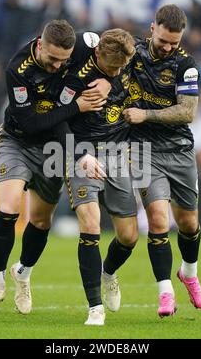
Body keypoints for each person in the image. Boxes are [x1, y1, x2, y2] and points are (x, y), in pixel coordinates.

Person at [0, 20, 108, 317]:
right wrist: (77, 107)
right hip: (18, 140)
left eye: (65, 60)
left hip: (54, 147)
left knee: (40, 221)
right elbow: (31, 123)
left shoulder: (86, 42)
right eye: (53, 59)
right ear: (40, 45)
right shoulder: (18, 69)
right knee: (9, 208)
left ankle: (22, 274)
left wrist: (111, 78)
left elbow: (125, 46)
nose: (58, 66)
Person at [123, 5, 201, 317]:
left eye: (175, 42)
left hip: (179, 150)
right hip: (143, 150)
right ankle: (165, 292)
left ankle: (189, 273)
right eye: (163, 41)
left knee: (189, 223)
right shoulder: (131, 52)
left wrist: (144, 114)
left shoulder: (186, 64)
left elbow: (187, 112)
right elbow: (100, 51)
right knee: (158, 221)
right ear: (152, 28)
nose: (169, 47)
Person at [56, 28, 138, 325]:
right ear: (97, 53)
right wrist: (79, 156)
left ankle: (109, 273)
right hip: (82, 154)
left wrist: (112, 77)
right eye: (111, 66)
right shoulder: (75, 76)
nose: (117, 72)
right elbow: (58, 119)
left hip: (117, 155)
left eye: (121, 68)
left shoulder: (127, 60)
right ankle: (95, 308)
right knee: (90, 225)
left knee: (129, 237)